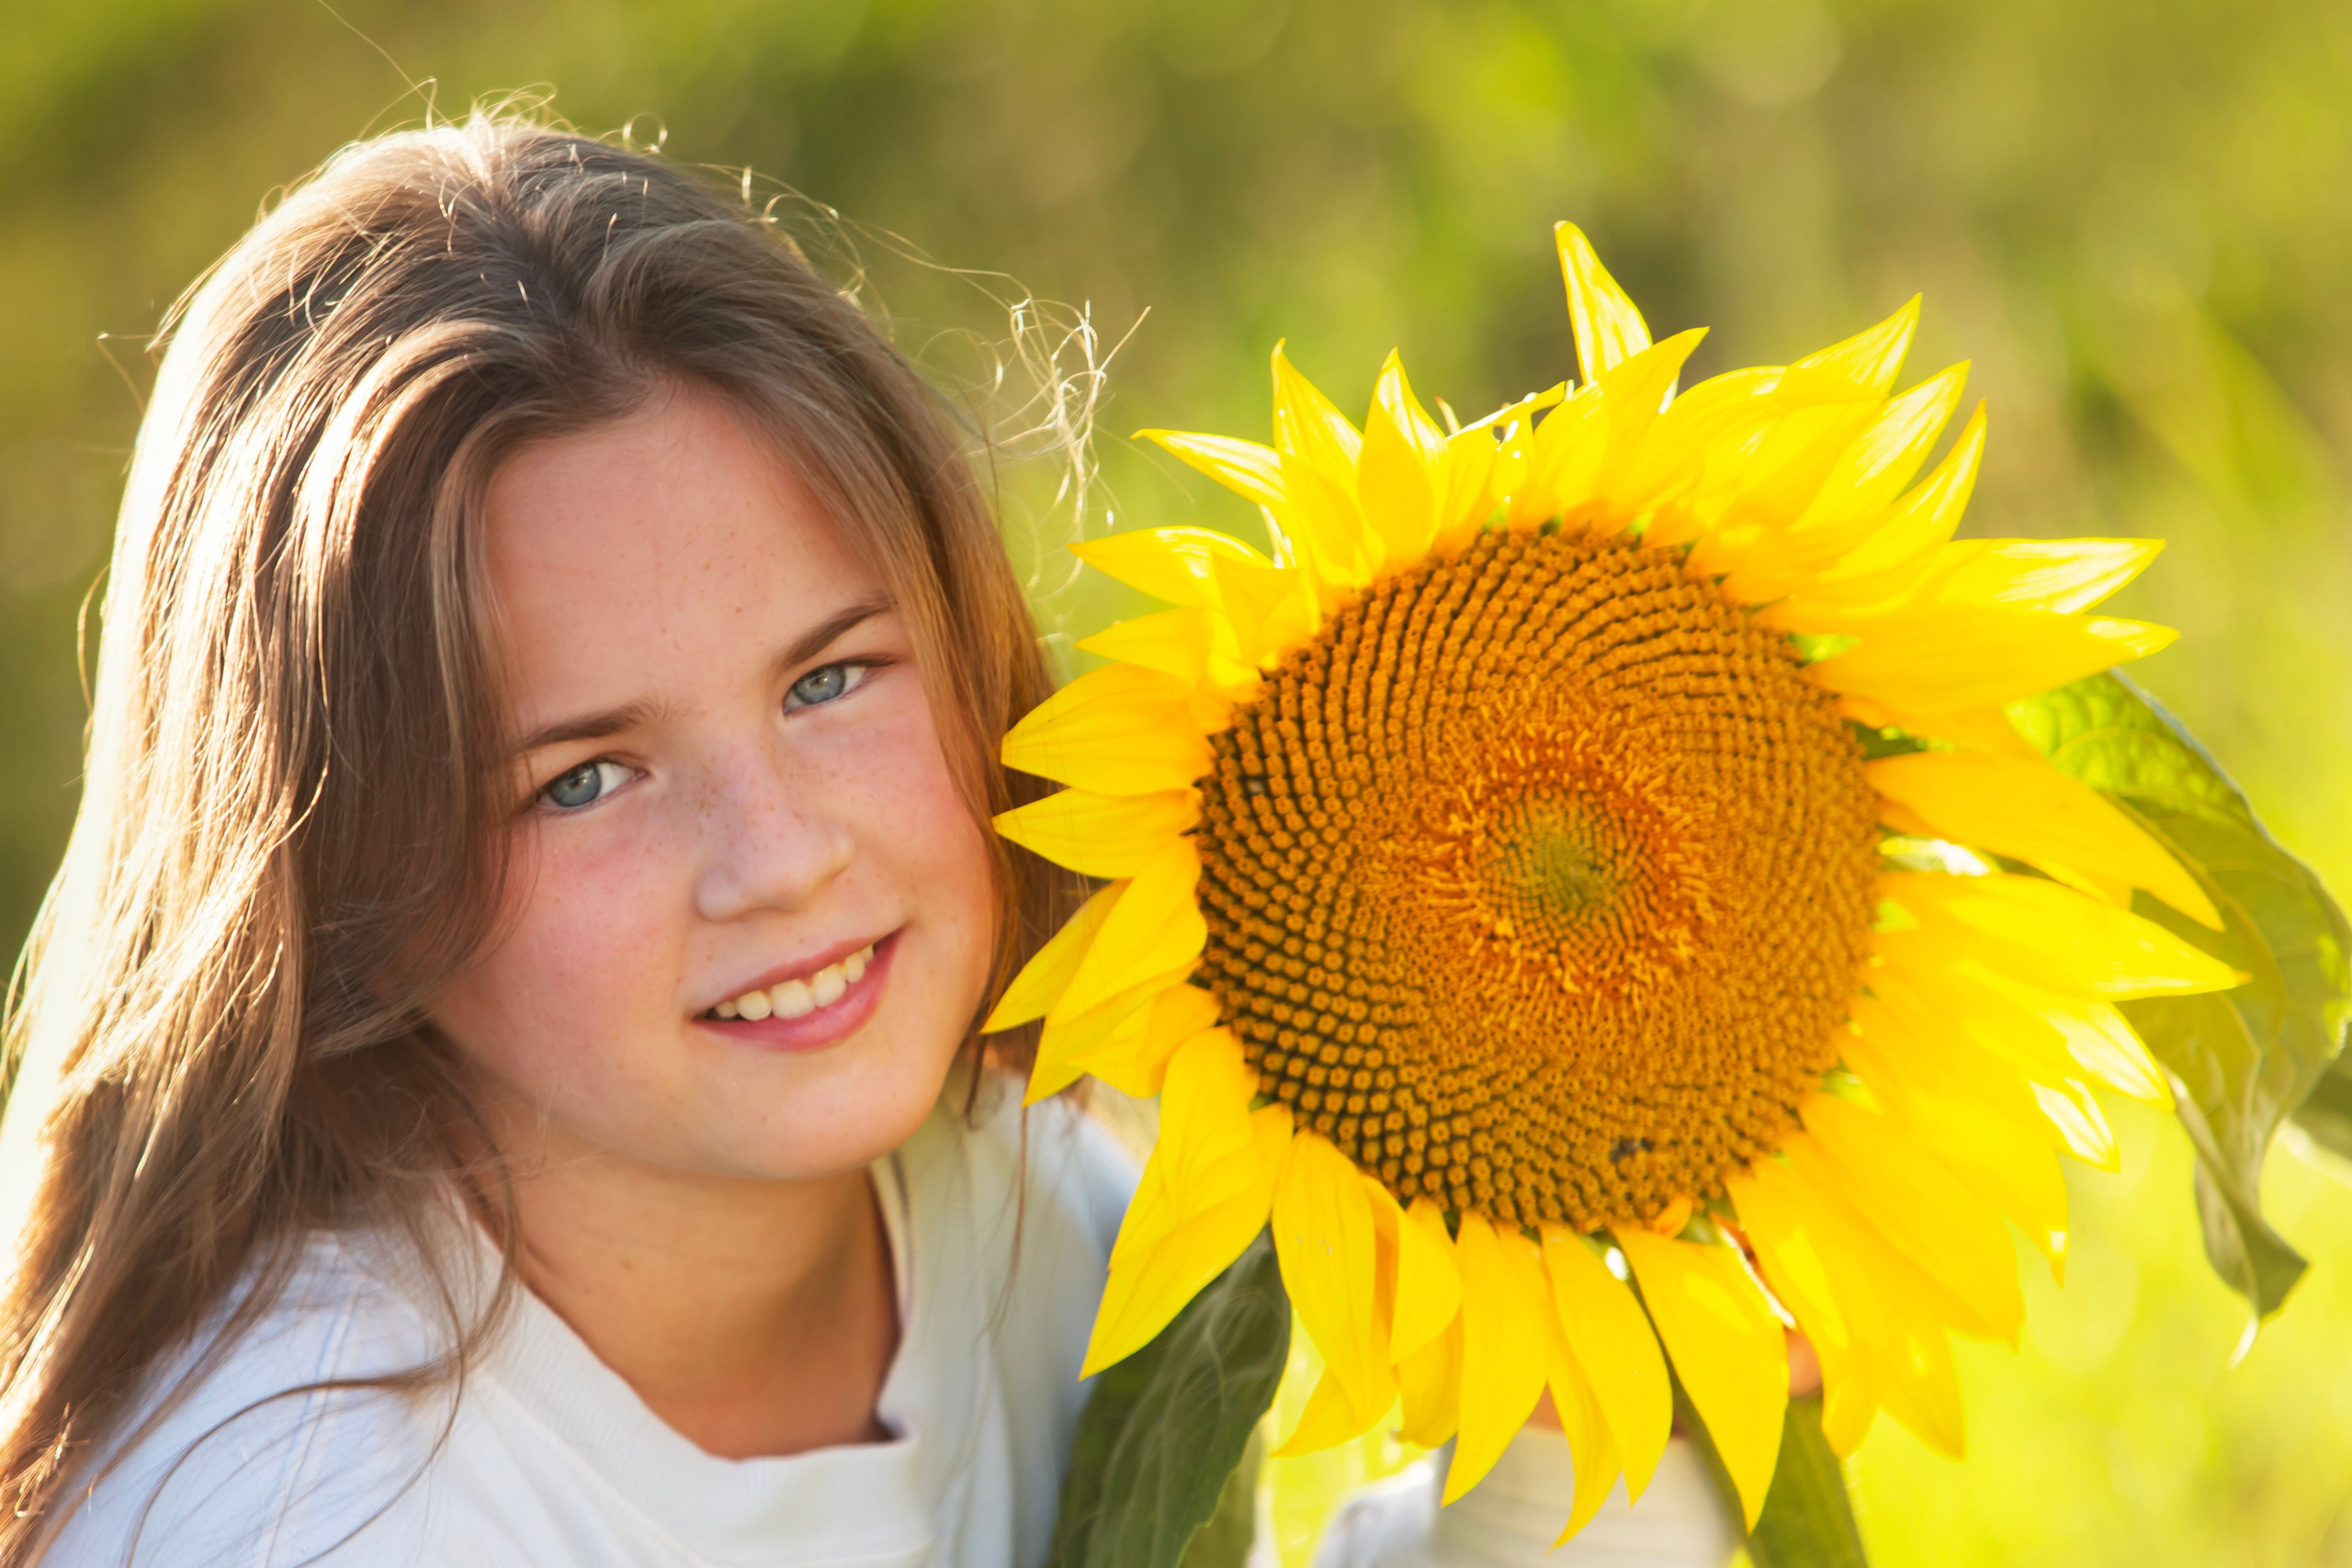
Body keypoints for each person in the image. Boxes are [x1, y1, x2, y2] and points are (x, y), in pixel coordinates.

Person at [0, 113, 1728, 1567]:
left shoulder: (1027, 1193)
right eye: (582, 778)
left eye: (829, 678)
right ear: (345, 883)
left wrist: (1595, 1384)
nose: (782, 860)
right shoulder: (312, 1513)